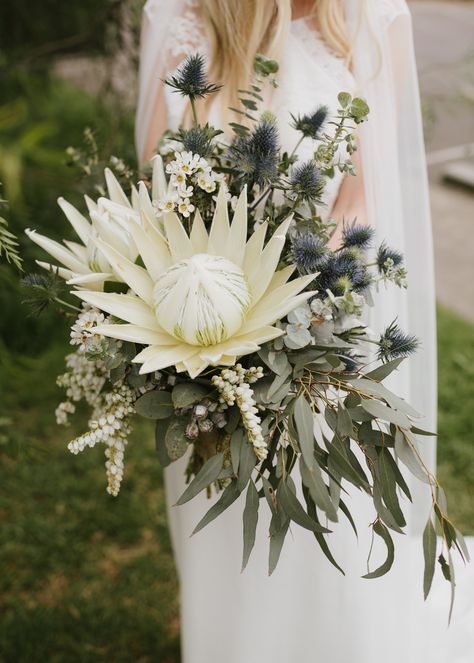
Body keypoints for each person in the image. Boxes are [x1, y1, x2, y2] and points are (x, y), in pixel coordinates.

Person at [135, 2, 471, 661]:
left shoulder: (374, 20)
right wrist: (206, 301)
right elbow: (153, 176)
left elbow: (359, 199)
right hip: (200, 323)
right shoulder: (179, 18)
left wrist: (295, 307)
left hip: (321, 323)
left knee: (327, 516)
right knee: (222, 512)